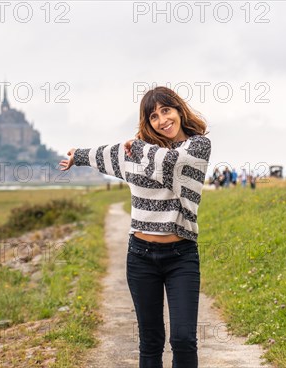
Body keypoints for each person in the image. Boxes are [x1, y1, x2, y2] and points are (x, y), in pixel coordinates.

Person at [59, 86, 211, 368]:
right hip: (140, 257)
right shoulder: (135, 152)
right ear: (147, 122)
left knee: (183, 339)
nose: (162, 120)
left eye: (166, 110)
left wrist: (139, 147)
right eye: (153, 116)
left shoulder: (197, 146)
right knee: (150, 340)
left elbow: (171, 165)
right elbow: (107, 155)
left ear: (179, 110)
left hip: (182, 256)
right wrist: (77, 155)